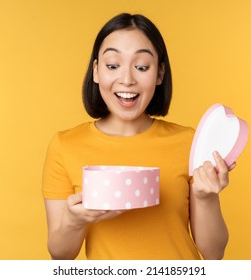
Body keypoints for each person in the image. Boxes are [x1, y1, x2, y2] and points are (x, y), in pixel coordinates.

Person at [42, 13, 235, 260]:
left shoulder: (189, 142)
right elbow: (60, 255)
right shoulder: (65, 146)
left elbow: (214, 252)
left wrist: (205, 196)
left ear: (159, 74)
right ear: (96, 72)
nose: (127, 80)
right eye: (113, 65)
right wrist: (74, 220)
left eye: (142, 67)